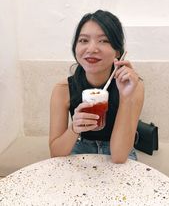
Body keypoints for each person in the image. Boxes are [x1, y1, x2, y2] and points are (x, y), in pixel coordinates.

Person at [49, 10, 144, 163]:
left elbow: (119, 157)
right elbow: (55, 154)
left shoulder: (133, 86)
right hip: (80, 146)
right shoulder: (62, 89)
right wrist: (74, 128)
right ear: (75, 47)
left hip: (118, 149)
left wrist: (125, 97)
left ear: (117, 52)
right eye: (84, 40)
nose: (92, 49)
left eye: (104, 41)